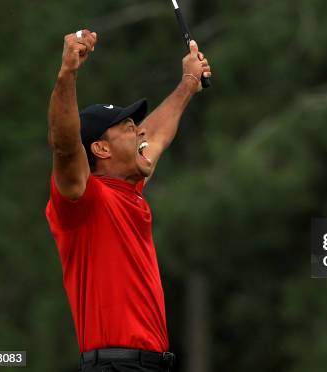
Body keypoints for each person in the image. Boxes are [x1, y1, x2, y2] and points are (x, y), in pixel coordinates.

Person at [45, 29, 212, 372]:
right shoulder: (84, 201)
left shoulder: (128, 192)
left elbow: (159, 134)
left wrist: (188, 84)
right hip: (116, 366)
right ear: (101, 149)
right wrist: (68, 73)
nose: (140, 131)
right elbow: (64, 145)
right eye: (128, 126)